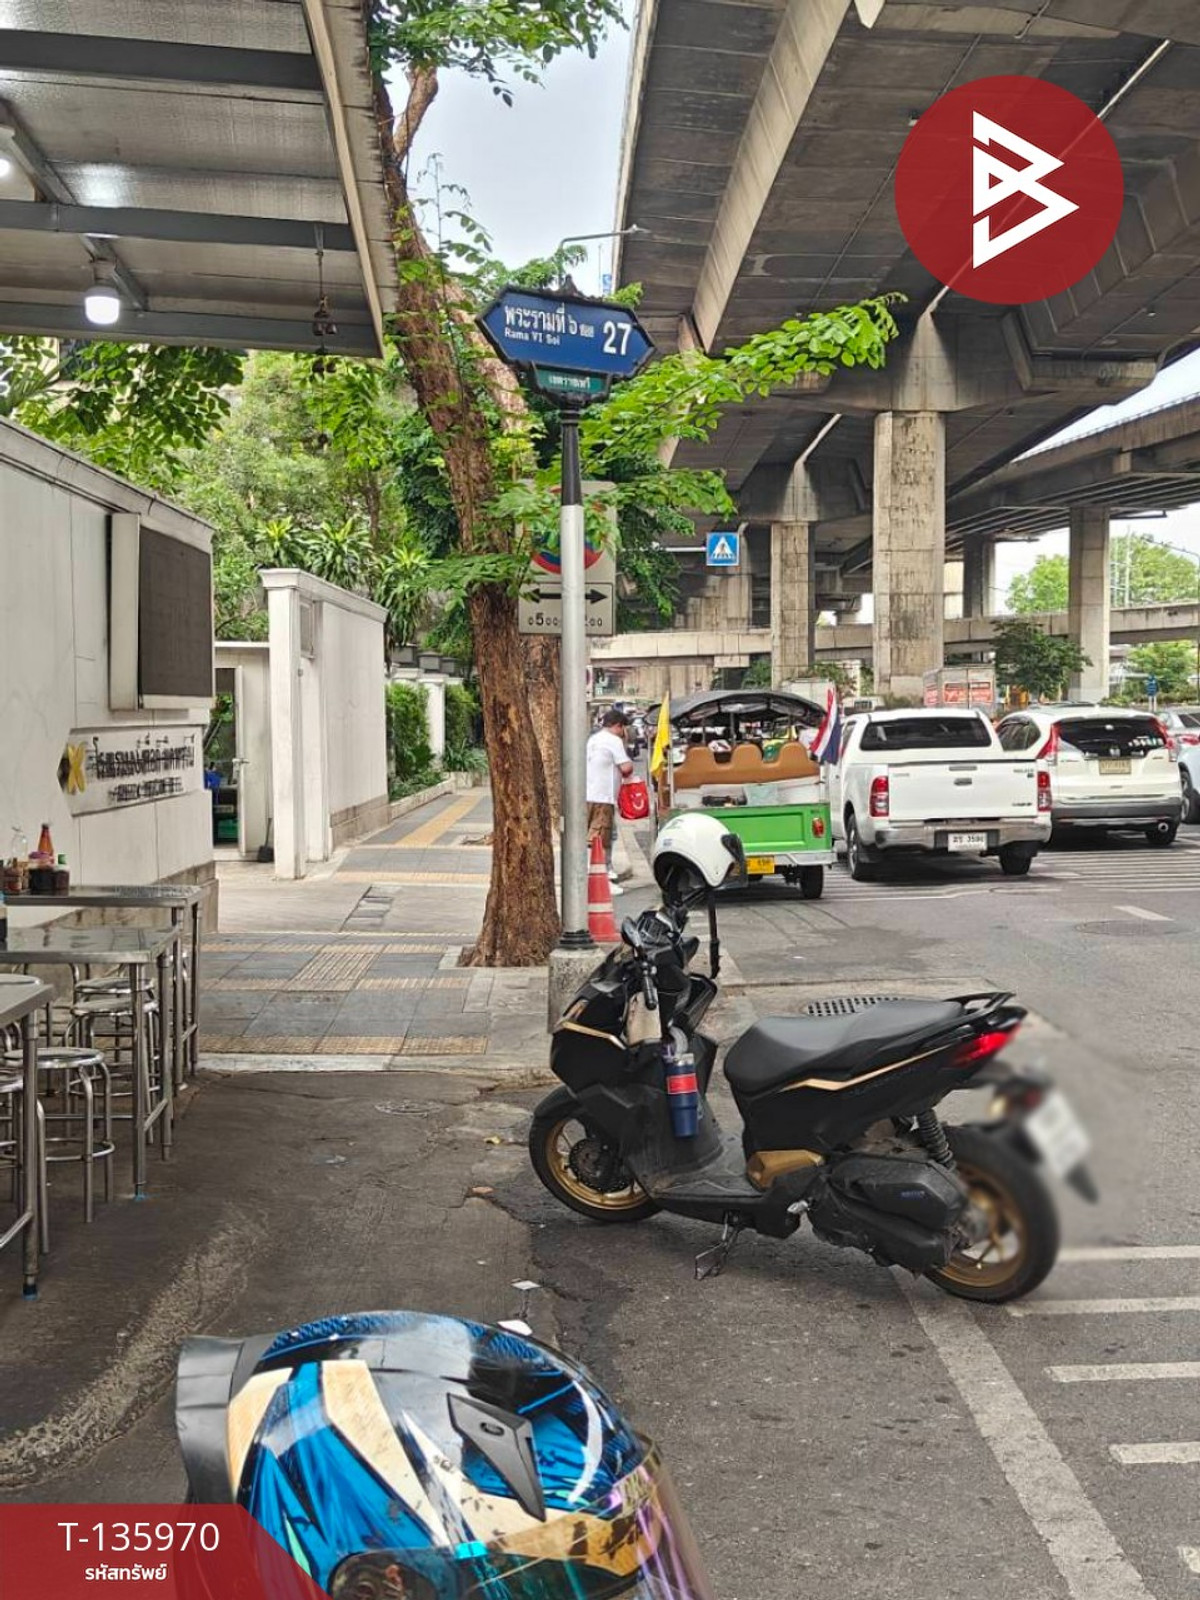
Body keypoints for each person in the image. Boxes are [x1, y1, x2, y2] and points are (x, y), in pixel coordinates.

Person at [586, 707, 633, 894]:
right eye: (623, 728)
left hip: (589, 794)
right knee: (600, 840)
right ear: (618, 726)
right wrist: (625, 743)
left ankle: (605, 872)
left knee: (599, 836)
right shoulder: (614, 741)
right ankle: (602, 881)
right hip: (603, 797)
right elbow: (626, 768)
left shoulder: (594, 739)